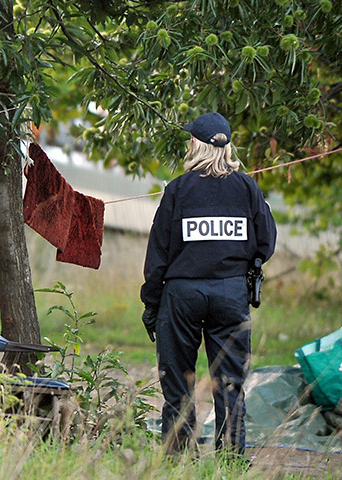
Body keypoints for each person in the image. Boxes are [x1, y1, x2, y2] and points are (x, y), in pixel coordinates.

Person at [140, 112, 277, 457]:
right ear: (227, 148)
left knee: (178, 385)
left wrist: (151, 304)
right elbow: (266, 242)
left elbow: (158, 254)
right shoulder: (247, 187)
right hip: (231, 294)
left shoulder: (178, 189)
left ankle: (176, 458)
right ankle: (231, 461)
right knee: (230, 384)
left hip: (181, 295)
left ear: (196, 145)